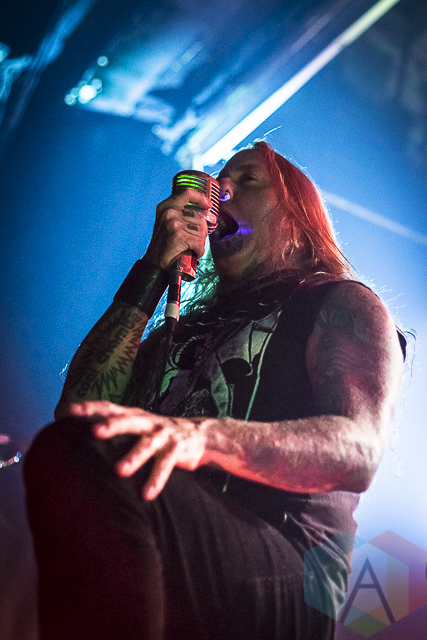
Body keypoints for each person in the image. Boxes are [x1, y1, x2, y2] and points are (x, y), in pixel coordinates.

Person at [24, 141, 405, 640]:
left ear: (297, 219)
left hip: (290, 570)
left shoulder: (341, 303)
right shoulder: (177, 335)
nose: (220, 191)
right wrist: (154, 265)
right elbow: (78, 414)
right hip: (172, 538)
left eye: (246, 181)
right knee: (65, 458)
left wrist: (201, 437)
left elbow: (357, 452)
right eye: (217, 183)